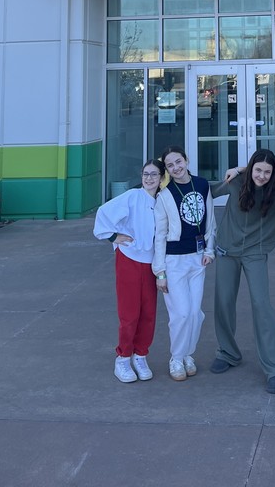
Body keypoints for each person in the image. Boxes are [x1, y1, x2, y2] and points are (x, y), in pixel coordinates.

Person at [210, 150, 275, 393]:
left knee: (261, 305)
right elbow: (207, 192)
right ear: (250, 169)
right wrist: (239, 170)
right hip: (227, 249)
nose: (262, 176)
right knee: (223, 302)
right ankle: (228, 352)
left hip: (256, 253)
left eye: (268, 172)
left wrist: (247, 168)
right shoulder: (235, 182)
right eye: (257, 170)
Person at [93, 159, 165, 383]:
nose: (149, 178)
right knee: (129, 313)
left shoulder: (163, 201)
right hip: (129, 259)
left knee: (149, 313)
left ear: (162, 178)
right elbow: (104, 213)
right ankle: (123, 358)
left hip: (152, 263)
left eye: (154, 174)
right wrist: (114, 237)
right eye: (145, 174)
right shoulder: (132, 197)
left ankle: (140, 355)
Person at [153, 147, 216, 382]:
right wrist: (160, 272)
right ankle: (176, 357)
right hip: (173, 261)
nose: (176, 167)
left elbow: (210, 218)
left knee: (195, 313)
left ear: (187, 160)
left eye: (179, 161)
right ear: (167, 170)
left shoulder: (202, 184)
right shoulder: (164, 194)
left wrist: (209, 249)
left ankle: (188, 353)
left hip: (197, 258)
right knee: (180, 313)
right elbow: (159, 234)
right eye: (170, 165)